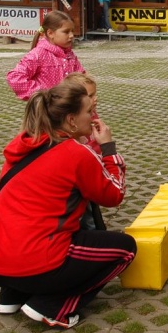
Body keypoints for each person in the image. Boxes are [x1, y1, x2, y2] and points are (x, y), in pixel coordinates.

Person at [0, 80, 136, 328]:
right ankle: (53, 306)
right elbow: (114, 195)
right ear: (70, 120)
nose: (92, 118)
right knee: (125, 248)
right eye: (88, 112)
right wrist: (108, 148)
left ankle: (12, 295)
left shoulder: (22, 144)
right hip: (34, 261)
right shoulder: (75, 153)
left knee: (32, 225)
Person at [6, 11, 85, 101]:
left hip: (68, 109)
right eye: (66, 32)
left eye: (72, 31)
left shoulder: (69, 55)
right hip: (47, 111)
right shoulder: (38, 54)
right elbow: (15, 77)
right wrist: (43, 94)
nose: (71, 36)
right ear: (50, 33)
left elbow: (82, 77)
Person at [63, 72, 105, 231]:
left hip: (94, 168)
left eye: (95, 94)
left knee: (91, 208)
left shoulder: (91, 114)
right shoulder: (74, 124)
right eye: (90, 95)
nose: (95, 99)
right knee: (85, 214)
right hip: (82, 176)